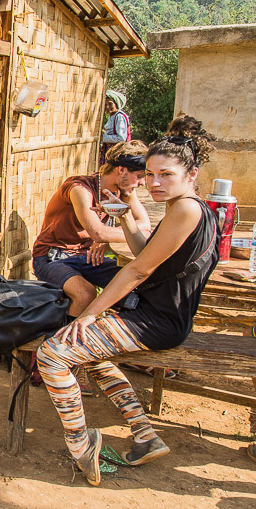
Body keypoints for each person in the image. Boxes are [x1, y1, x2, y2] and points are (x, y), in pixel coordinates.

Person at [36, 115, 218, 486]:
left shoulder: (186, 209)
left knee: (52, 355)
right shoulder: (194, 208)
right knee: (91, 356)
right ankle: (145, 436)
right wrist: (125, 218)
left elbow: (137, 272)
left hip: (156, 320)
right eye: (149, 175)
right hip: (162, 316)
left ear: (192, 174)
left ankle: (81, 445)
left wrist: (91, 314)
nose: (152, 183)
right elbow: (143, 252)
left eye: (164, 174)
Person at [32, 141, 151, 319]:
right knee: (86, 293)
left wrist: (108, 239)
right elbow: (98, 232)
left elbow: (145, 226)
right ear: (122, 170)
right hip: (53, 257)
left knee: (138, 280)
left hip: (86, 258)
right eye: (140, 175)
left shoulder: (124, 190)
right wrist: (105, 236)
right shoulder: (80, 188)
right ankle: (61, 341)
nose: (142, 183)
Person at [100, 90, 131, 166]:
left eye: (110, 104)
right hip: (112, 151)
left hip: (118, 152)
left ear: (116, 104)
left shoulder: (119, 116)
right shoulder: (112, 117)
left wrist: (102, 137)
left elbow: (121, 138)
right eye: (105, 104)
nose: (107, 107)